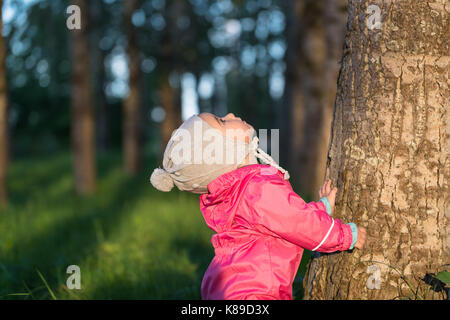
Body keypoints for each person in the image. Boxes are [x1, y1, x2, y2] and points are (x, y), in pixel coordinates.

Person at [150, 112, 367, 300]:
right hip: (255, 291)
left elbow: (286, 218)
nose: (232, 116)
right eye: (222, 122)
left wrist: (321, 208)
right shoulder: (256, 188)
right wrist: (345, 235)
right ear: (220, 152)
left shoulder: (233, 193)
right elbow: (296, 222)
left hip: (227, 286)